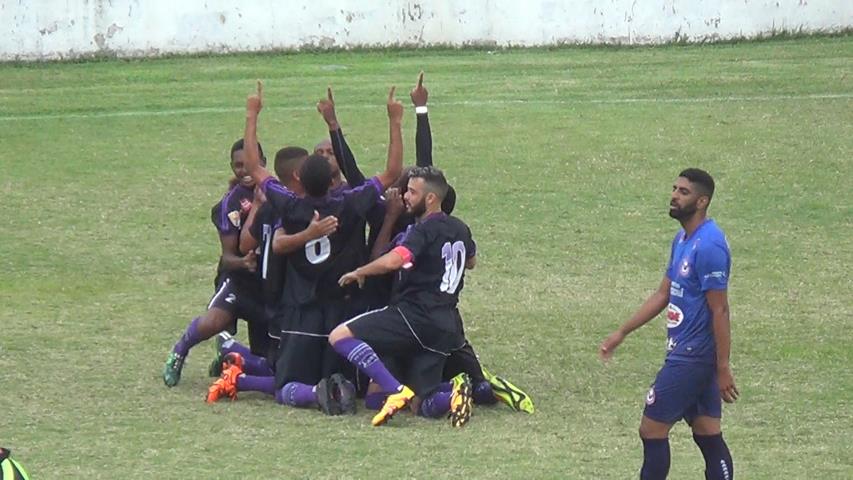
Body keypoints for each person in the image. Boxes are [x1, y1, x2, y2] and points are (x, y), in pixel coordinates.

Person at [206, 81, 404, 415]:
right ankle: (264, 370)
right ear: (332, 181)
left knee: (287, 386)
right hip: (342, 308)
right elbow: (392, 172)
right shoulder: (350, 204)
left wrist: (252, 114)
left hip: (303, 308)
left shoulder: (291, 206)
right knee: (345, 379)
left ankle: (308, 391)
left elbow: (255, 168)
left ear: (297, 179)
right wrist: (395, 121)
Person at [599, 168, 737, 480]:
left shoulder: (710, 246)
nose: (674, 195)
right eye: (674, 188)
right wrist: (622, 332)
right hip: (689, 353)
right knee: (707, 432)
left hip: (692, 356)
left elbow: (720, 310)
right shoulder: (682, 239)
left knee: (651, 429)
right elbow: (664, 292)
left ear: (702, 201)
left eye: (683, 192)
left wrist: (723, 367)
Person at [329, 165, 477, 427]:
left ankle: (394, 389)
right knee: (422, 404)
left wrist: (361, 271)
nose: (405, 196)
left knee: (339, 336)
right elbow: (471, 261)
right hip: (444, 324)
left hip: (414, 315)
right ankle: (453, 395)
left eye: (411, 192)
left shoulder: (422, 230)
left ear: (430, 198)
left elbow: (396, 260)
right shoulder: (460, 228)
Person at [162, 139, 270, 387]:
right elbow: (228, 256)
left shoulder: (278, 191)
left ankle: (229, 355)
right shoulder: (230, 204)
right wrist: (245, 262)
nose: (243, 171)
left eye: (249, 164)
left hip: (270, 283)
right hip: (239, 279)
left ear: (262, 162)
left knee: (268, 358)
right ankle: (179, 352)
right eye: (237, 166)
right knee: (215, 321)